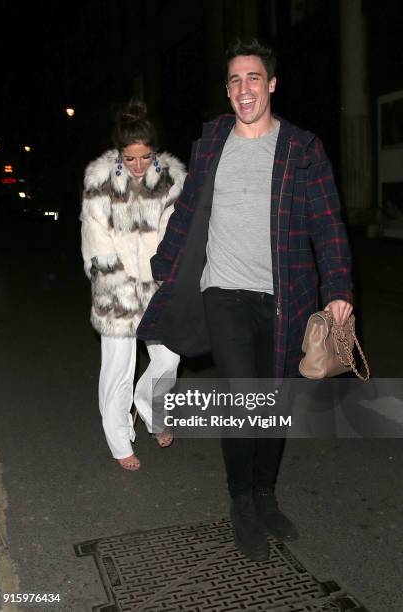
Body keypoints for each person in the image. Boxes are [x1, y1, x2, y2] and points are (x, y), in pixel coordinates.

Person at [138, 39, 353, 559]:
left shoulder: (302, 149)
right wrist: (164, 268)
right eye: (234, 80)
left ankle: (264, 495)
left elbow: (327, 224)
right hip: (225, 294)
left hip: (287, 297)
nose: (243, 89)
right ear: (228, 91)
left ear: (271, 84)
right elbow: (188, 210)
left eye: (253, 78)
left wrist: (339, 288)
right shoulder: (212, 142)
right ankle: (241, 504)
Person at [81, 100, 186, 471]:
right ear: (119, 154)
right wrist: (119, 286)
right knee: (117, 368)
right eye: (130, 158)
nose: (139, 166)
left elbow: (178, 235)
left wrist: (171, 276)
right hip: (118, 291)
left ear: (153, 150)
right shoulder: (100, 183)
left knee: (169, 360)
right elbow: (96, 243)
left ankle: (151, 410)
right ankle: (118, 437)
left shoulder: (172, 182)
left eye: (145, 157)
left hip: (160, 286)